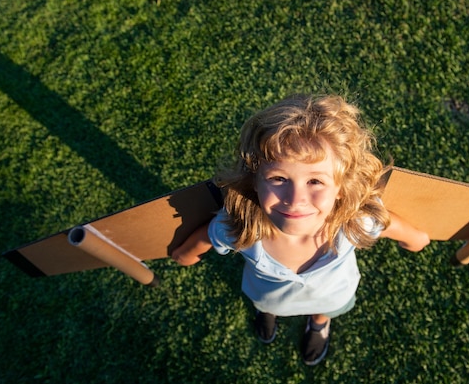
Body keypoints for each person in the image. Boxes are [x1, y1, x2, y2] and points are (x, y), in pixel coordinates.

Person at [171, 94, 429, 366]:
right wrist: (187, 253)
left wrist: (415, 238)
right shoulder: (241, 224)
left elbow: (388, 223)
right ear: (254, 180)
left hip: (330, 296)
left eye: (315, 181)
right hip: (268, 297)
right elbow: (207, 235)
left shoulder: (353, 221)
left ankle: (318, 324)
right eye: (279, 178)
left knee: (325, 309)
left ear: (341, 186)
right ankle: (268, 313)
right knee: (268, 304)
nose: (295, 199)